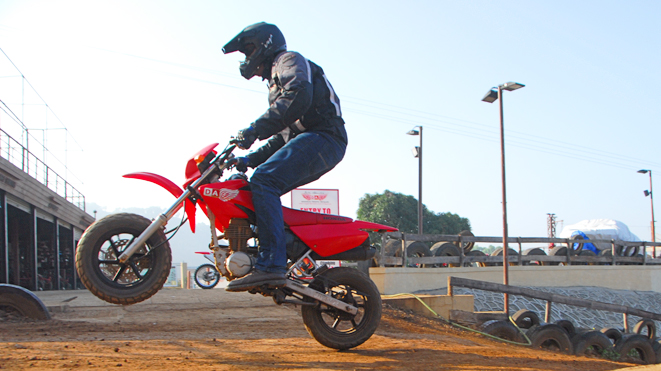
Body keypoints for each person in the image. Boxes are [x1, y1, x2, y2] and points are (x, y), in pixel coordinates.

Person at [222, 22, 347, 292]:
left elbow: (298, 95)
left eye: (249, 50)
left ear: (265, 44)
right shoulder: (277, 82)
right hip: (314, 138)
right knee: (259, 179)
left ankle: (271, 265)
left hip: (325, 137)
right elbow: (284, 137)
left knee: (265, 181)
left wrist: (255, 129)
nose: (247, 58)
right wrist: (248, 159)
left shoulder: (288, 61)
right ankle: (276, 258)